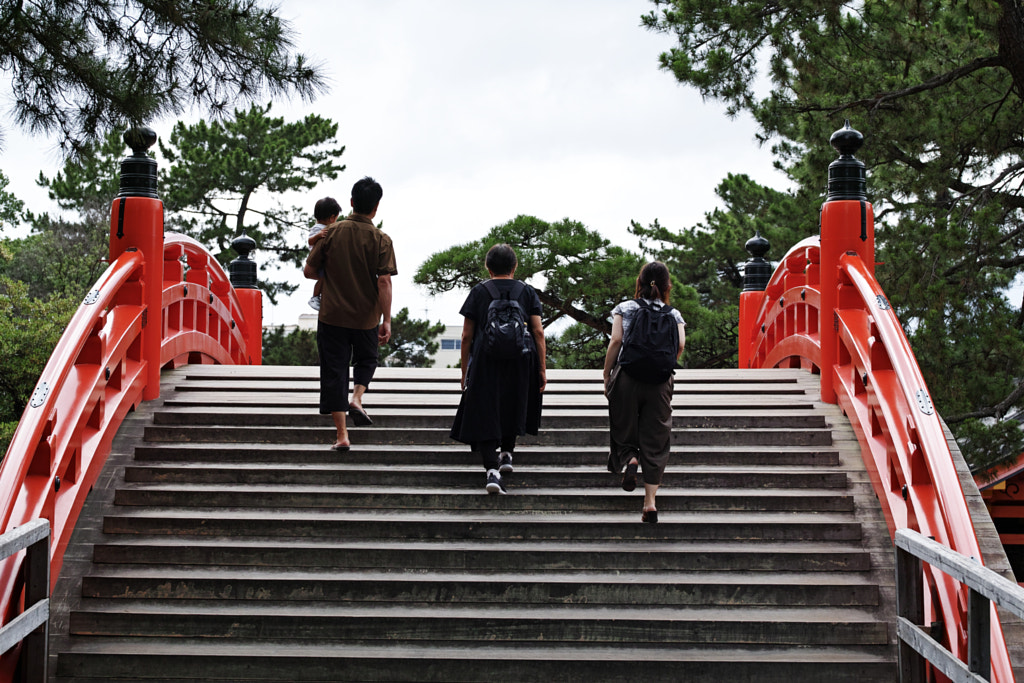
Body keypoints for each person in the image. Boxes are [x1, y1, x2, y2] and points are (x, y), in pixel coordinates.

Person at [303, 177, 396, 451]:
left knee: (334, 371)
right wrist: (386, 319)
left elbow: (309, 271)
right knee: (367, 360)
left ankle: (342, 435)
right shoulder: (382, 239)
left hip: (332, 315)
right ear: (376, 207)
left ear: (352, 202)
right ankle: (357, 397)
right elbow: (384, 281)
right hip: (366, 317)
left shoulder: (330, 232)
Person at [450, 244, 546, 494]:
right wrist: (542, 369)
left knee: (486, 407)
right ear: (514, 267)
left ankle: (491, 470)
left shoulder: (479, 292)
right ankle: (506, 454)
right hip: (522, 358)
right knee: (513, 402)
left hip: (486, 358)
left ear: (488, 267)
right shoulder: (527, 291)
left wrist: (464, 370)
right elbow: (538, 331)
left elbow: (466, 336)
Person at [603, 261, 685, 523]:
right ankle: (649, 503)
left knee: (624, 427)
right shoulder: (674, 314)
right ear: (666, 285)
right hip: (659, 382)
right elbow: (680, 345)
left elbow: (616, 341)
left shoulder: (625, 308)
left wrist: (607, 375)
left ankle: (631, 458)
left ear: (639, 283)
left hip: (628, 376)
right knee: (656, 439)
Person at [307, 197, 341, 311]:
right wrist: (318, 235)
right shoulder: (319, 229)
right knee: (323, 278)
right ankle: (315, 297)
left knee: (324, 279)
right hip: (318, 260)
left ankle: (318, 296)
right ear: (332, 217)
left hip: (321, 259)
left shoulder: (324, 228)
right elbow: (310, 241)